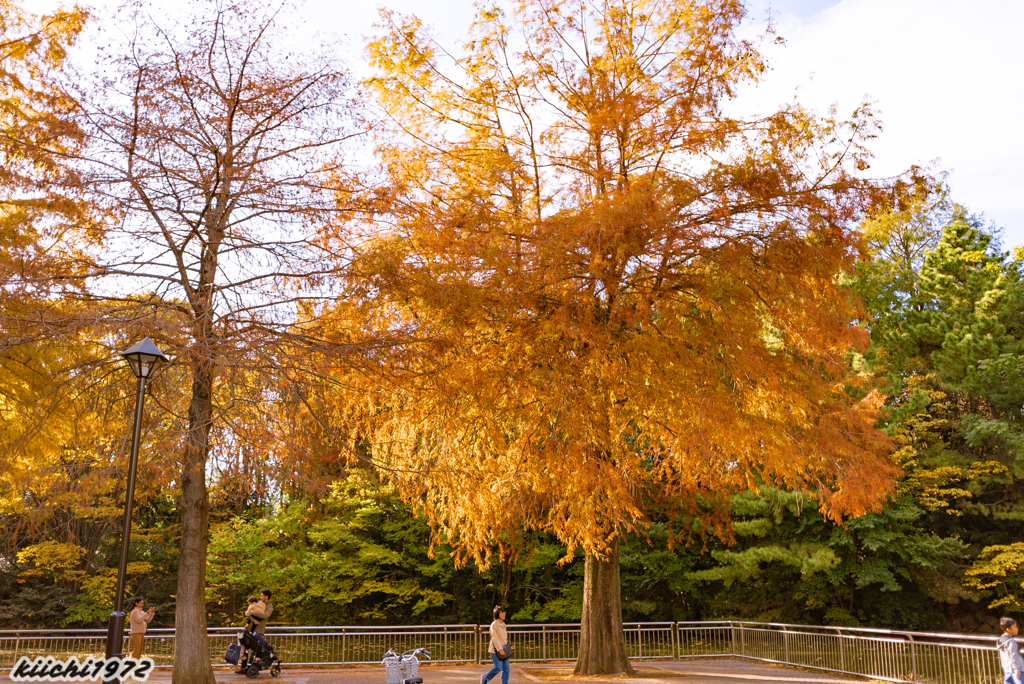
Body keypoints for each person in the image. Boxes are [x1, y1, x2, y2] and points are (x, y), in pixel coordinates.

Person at [236, 596, 267, 674]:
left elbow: (248, 614)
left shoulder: (253, 607)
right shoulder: (260, 605)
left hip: (257, 632)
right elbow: (251, 617)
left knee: (255, 650)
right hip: (252, 631)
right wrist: (251, 620)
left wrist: (249, 615)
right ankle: (245, 667)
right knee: (246, 648)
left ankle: (252, 667)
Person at [480, 605, 511, 684]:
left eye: (504, 612)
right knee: (498, 667)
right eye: (502, 612)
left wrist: (506, 647)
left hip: (505, 649)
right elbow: (495, 638)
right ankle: (485, 677)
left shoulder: (503, 624)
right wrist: (500, 649)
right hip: (495, 650)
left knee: (506, 669)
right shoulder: (494, 625)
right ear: (497, 614)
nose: (504, 614)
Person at [999, 617, 1024, 684]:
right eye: (1015, 627)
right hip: (1016, 670)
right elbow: (1014, 657)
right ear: (1008, 629)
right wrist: (1017, 670)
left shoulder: (1000, 640)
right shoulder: (1011, 642)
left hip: (1007, 669)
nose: (1017, 629)